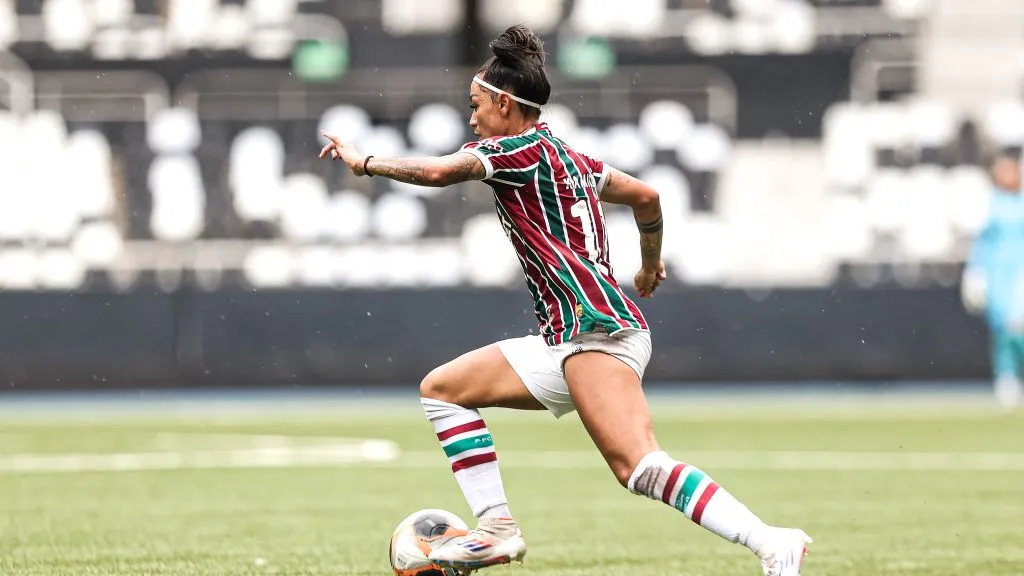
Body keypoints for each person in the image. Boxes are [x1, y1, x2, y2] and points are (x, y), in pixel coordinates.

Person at [319, 24, 812, 576]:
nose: (472, 116)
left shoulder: (513, 151)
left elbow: (438, 171)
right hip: (568, 336)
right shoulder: (569, 157)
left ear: (505, 103)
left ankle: (771, 541)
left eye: (477, 104)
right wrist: (649, 262)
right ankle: (496, 529)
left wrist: (365, 163)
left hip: (596, 331)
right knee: (444, 391)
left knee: (639, 467)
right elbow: (647, 197)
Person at [961, 152, 1024, 409]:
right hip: (999, 275)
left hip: (1021, 271)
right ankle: (1007, 379)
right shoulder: (990, 204)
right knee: (1003, 330)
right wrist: (975, 273)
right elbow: (982, 243)